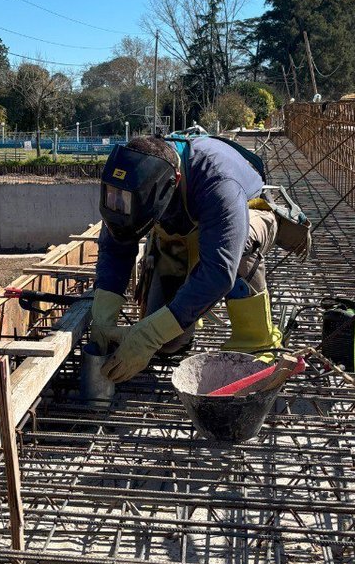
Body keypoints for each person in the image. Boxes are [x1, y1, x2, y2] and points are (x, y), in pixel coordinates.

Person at [91, 135, 282, 383]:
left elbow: (218, 273)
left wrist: (149, 335)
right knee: (167, 343)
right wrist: (103, 316)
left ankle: (257, 344)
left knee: (238, 253)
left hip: (243, 214)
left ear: (175, 182)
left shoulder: (218, 183)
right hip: (187, 226)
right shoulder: (133, 183)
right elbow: (116, 244)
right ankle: (184, 322)